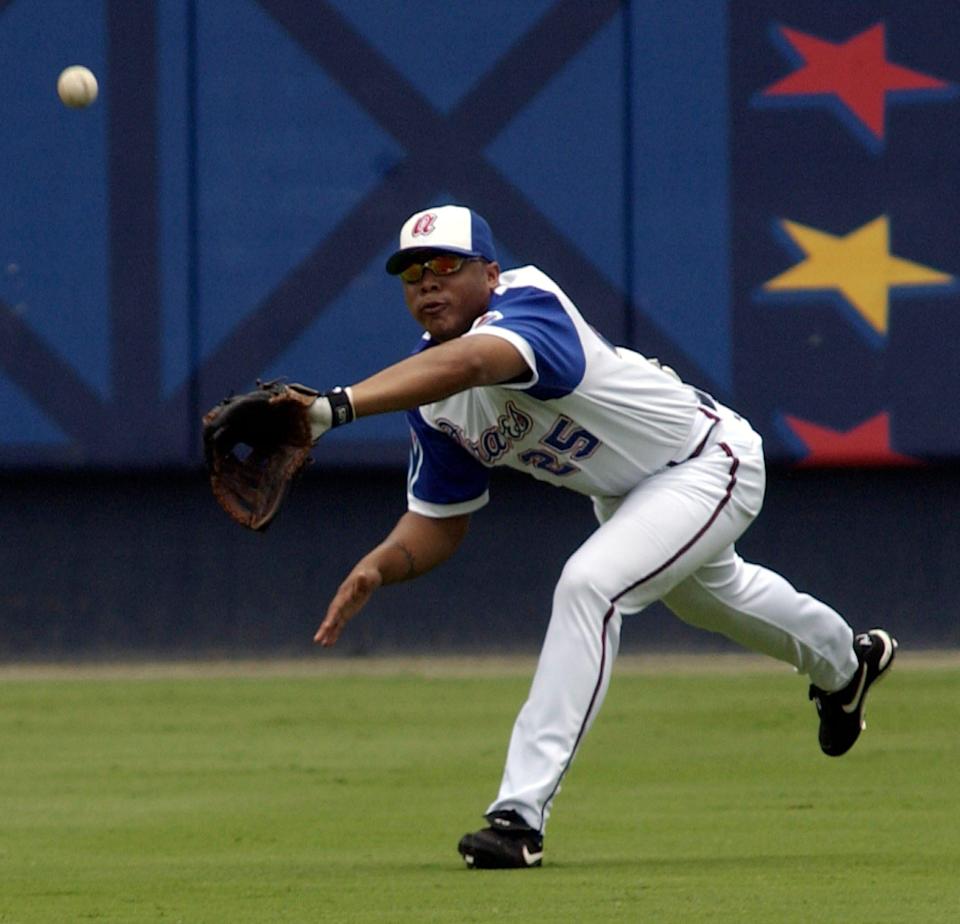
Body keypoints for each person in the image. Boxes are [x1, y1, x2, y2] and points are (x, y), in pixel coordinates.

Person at [305, 204, 897, 869]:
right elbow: (441, 519)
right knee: (710, 595)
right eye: (412, 273)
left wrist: (334, 408)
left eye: (447, 265)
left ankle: (518, 816)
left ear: (490, 274)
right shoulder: (427, 395)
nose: (428, 283)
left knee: (590, 587)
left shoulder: (529, 301)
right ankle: (845, 663)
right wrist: (381, 566)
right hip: (629, 497)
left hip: (708, 459)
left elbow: (473, 362)